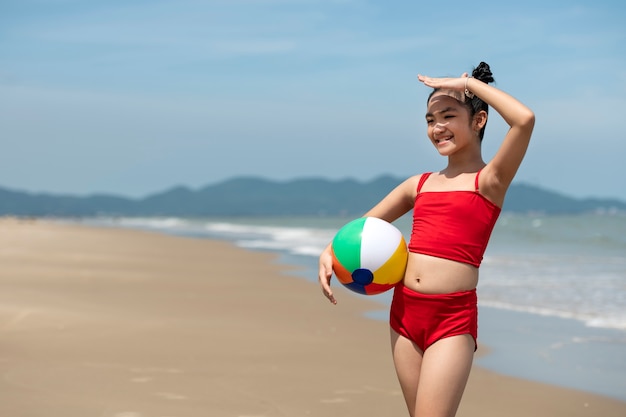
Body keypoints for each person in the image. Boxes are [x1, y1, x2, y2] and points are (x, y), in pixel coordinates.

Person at [317, 62, 535, 417]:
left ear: (479, 120)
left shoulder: (489, 181)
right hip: (404, 314)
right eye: (431, 120)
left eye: (448, 116)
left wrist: (465, 83)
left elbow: (524, 119)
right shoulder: (418, 185)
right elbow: (362, 226)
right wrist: (329, 252)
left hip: (452, 320)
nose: (437, 128)